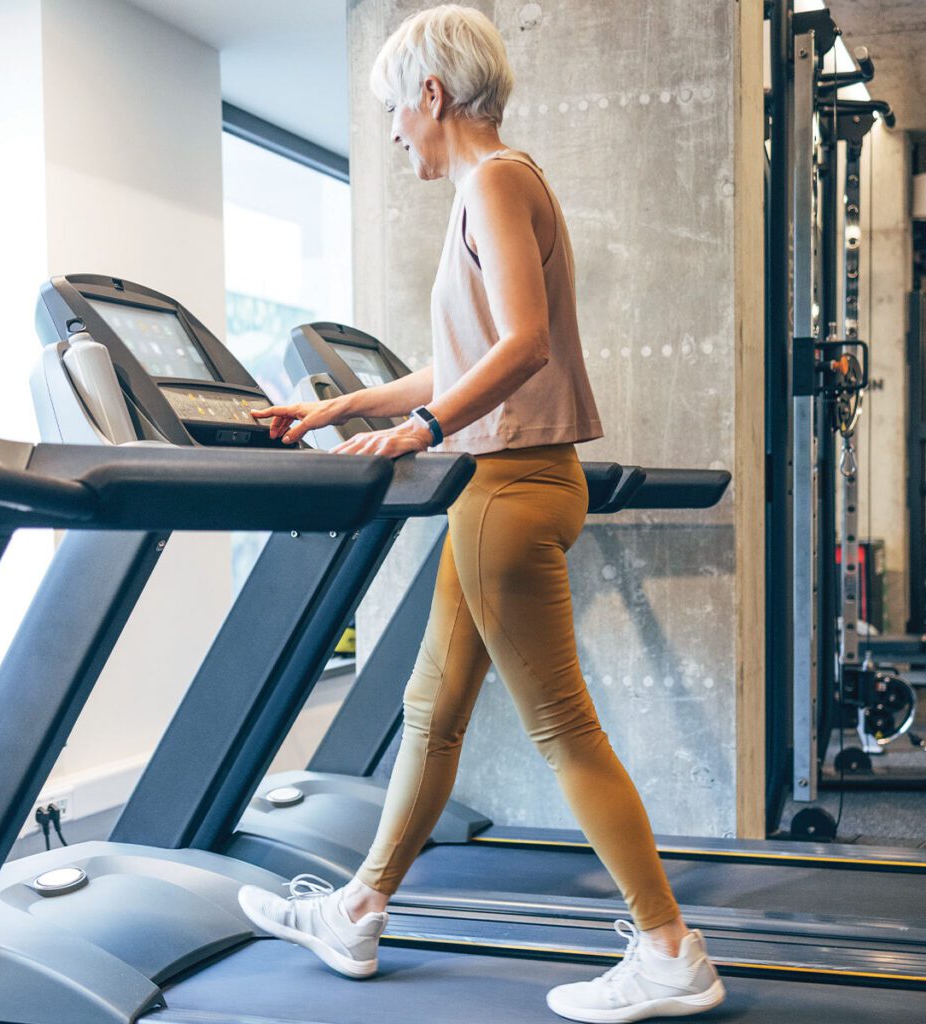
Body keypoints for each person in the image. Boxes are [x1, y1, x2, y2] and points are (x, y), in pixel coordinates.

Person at [241, 6, 725, 1021]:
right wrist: (339, 406)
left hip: (507, 482)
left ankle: (669, 946)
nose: (389, 134)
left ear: (430, 96)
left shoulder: (496, 180)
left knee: (561, 726)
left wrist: (421, 427)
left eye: (391, 113)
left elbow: (523, 343)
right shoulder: (498, 185)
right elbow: (465, 358)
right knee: (433, 705)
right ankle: (360, 909)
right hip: (503, 481)